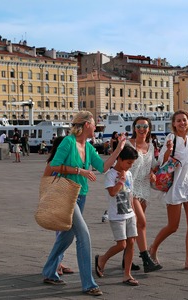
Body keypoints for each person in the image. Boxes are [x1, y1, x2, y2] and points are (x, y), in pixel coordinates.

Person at [41, 111, 126, 296]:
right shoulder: (68, 142)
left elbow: (102, 167)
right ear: (86, 124)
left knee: (66, 237)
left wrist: (119, 149)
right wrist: (80, 170)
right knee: (83, 235)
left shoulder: (88, 147)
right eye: (94, 123)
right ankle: (88, 283)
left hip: (81, 195)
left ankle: (49, 271)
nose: (96, 126)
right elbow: (54, 165)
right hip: (66, 194)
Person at [149, 110, 188, 272]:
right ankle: (153, 248)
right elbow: (162, 161)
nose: (182, 123)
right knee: (173, 226)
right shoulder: (171, 139)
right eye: (178, 121)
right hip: (175, 185)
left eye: (184, 120)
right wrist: (169, 150)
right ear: (174, 124)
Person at [95, 145, 140, 286]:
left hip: (129, 214)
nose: (129, 166)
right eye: (128, 163)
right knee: (121, 245)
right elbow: (113, 192)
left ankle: (127, 274)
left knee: (131, 243)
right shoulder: (110, 175)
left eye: (132, 164)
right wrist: (121, 180)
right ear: (119, 159)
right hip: (117, 216)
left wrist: (134, 212)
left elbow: (130, 194)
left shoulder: (129, 174)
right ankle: (102, 259)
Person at [125, 117, 162, 273]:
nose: (142, 129)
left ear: (149, 128)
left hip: (144, 188)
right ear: (134, 128)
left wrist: (154, 173)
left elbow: (153, 165)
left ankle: (126, 259)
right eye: (139, 126)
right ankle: (146, 259)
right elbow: (120, 164)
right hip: (130, 188)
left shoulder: (151, 146)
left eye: (145, 126)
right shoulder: (128, 144)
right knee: (142, 222)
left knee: (134, 226)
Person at [43, 136, 73, 277]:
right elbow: (45, 180)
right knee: (61, 235)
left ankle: (59, 263)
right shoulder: (52, 164)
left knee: (65, 235)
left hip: (69, 200)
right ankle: (56, 265)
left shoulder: (69, 162)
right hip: (57, 200)